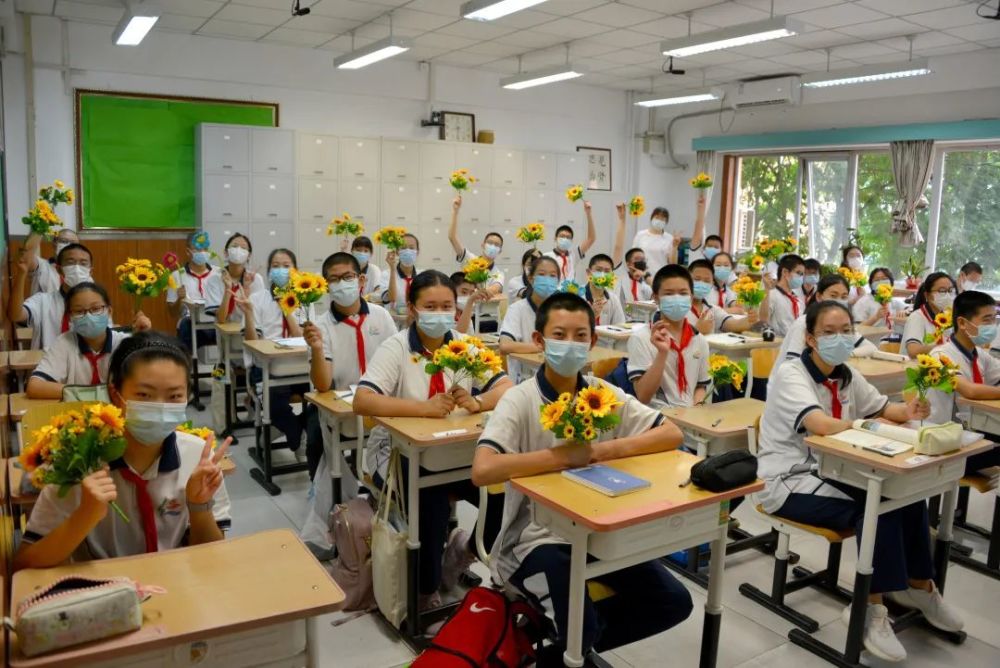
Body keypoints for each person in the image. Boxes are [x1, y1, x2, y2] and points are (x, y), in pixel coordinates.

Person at [471, 292, 692, 665]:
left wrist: (601, 452)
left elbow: (671, 434)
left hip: (600, 529)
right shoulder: (520, 398)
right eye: (560, 334)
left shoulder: (600, 393)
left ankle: (562, 650)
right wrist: (559, 458)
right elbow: (483, 469)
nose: (570, 344)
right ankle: (574, 644)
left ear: (592, 341)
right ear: (540, 341)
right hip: (537, 540)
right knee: (578, 628)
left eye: (580, 336)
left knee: (672, 602)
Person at [758, 301, 963, 663]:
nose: (840, 338)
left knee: (908, 494)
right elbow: (820, 425)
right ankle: (870, 606)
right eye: (828, 332)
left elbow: (883, 408)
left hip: (840, 469)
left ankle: (919, 587)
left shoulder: (846, 372)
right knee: (876, 508)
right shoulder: (792, 374)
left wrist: (909, 411)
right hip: (791, 480)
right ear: (809, 338)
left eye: (846, 331)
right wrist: (867, 427)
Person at [353, 270, 513, 606]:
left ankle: (460, 555)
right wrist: (422, 409)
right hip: (395, 451)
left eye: (447, 306)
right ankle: (425, 589)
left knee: (503, 494)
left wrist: (479, 401)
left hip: (455, 450)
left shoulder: (465, 345)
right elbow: (363, 400)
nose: (440, 313)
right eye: (430, 306)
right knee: (431, 498)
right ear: (412, 308)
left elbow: (505, 387)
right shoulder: (396, 347)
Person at [14, 332, 232, 568]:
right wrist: (86, 514)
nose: (160, 406)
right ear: (115, 395)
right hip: (104, 595)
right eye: (144, 395)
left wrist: (199, 507)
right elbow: (26, 562)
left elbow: (212, 562)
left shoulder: (198, 458)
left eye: (175, 396)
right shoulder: (78, 462)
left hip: (176, 589)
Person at [303, 251, 397, 481]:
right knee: (314, 434)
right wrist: (315, 348)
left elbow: (398, 361)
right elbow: (323, 385)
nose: (341, 284)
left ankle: (382, 491)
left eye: (348, 277)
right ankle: (325, 494)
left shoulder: (381, 316)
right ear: (326, 287)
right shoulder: (321, 326)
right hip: (342, 408)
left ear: (361, 280)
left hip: (382, 405)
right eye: (334, 280)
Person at [235, 249, 309, 456]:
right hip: (266, 368)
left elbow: (301, 336)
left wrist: (287, 307)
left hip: (299, 366)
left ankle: (294, 432)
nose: (281, 270)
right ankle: (297, 437)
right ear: (268, 272)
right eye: (276, 266)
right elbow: (251, 341)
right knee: (274, 401)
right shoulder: (257, 299)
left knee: (319, 397)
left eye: (286, 266)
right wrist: (248, 314)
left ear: (296, 271)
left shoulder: (304, 299)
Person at [27, 283, 151, 399]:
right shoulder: (64, 343)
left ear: (109, 311)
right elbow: (35, 386)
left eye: (96, 308)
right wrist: (92, 394)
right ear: (70, 317)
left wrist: (145, 339)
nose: (88, 316)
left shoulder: (124, 343)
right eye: (79, 311)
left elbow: (147, 385)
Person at [927, 290, 1000, 476]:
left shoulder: (979, 355)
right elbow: (969, 391)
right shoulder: (940, 356)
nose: (993, 325)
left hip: (971, 434)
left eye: (994, 319)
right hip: (945, 443)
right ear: (961, 322)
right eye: (987, 320)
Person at [628, 264, 710, 407]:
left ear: (691, 298)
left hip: (691, 418)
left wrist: (697, 409)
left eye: (683, 293)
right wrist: (662, 353)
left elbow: (700, 386)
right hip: (658, 418)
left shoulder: (699, 340)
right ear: (656, 298)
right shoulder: (641, 338)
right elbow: (643, 396)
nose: (677, 298)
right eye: (669, 294)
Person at [10, 242, 106, 350]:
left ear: (90, 271)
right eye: (71, 262)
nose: (77, 268)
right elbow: (16, 315)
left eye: (83, 263)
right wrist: (22, 274)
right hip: (49, 362)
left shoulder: (99, 304)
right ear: (59, 269)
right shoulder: (43, 300)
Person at [773, 274, 876, 373]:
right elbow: (791, 363)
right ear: (819, 297)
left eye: (844, 297)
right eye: (833, 295)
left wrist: (847, 354)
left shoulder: (843, 323)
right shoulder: (804, 323)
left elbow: (871, 348)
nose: (838, 301)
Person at [499, 256, 560, 380]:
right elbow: (505, 346)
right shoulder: (517, 309)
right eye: (542, 274)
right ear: (531, 279)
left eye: (553, 276)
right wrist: (543, 347)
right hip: (524, 378)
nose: (547, 280)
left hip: (556, 375)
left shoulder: (562, 310)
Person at [167, 231, 219, 350]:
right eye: (197, 249)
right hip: (189, 324)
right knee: (186, 325)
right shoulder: (176, 276)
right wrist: (180, 299)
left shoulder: (219, 273)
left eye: (205, 248)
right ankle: (187, 365)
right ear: (187, 251)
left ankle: (226, 365)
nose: (202, 252)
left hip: (215, 322)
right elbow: (172, 313)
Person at [449, 195, 505, 297]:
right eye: (490, 243)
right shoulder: (470, 259)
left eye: (497, 245)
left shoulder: (498, 274)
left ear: (500, 251)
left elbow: (495, 288)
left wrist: (483, 291)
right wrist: (455, 212)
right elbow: (452, 238)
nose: (493, 246)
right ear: (483, 245)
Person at [206, 232, 265, 325]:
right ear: (226, 253)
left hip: (251, 331)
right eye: (234, 246)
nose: (238, 250)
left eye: (243, 248)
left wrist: (247, 289)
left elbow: (260, 314)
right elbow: (221, 319)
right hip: (224, 335)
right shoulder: (215, 279)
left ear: (248, 255)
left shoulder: (255, 279)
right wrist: (228, 290)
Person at [687, 259, 754, 335]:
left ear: (712, 284)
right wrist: (697, 330)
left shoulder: (712, 309)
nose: (702, 283)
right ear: (687, 280)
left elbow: (732, 324)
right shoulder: (679, 309)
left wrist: (750, 320)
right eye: (697, 279)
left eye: (707, 281)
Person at [902, 272, 957, 358]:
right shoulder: (917, 317)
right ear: (927, 295)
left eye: (950, 291)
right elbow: (913, 351)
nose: (948, 295)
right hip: (915, 367)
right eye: (942, 291)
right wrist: (945, 347)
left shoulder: (947, 316)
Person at [545, 200, 597, 281]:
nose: (565, 239)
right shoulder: (547, 256)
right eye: (562, 236)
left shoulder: (574, 255)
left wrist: (588, 214)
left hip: (569, 291)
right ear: (555, 238)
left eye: (568, 237)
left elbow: (591, 239)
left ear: (571, 241)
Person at [21, 227, 79, 296]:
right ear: (54, 243)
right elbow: (27, 256)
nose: (68, 245)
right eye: (64, 241)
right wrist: (39, 226)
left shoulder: (80, 271)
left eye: (73, 243)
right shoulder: (41, 266)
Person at [761, 254, 806, 337]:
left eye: (802, 274)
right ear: (785, 272)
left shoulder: (798, 300)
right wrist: (767, 289)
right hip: (776, 345)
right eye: (798, 273)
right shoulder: (771, 295)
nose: (801, 277)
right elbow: (763, 320)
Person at [382, 232, 421, 314]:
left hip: (414, 321)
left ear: (417, 252)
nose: (408, 251)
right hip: (393, 322)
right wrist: (392, 268)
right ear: (397, 252)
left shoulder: (422, 275)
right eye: (403, 248)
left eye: (411, 248)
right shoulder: (386, 274)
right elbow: (392, 299)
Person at [583, 254, 626, 326]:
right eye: (598, 270)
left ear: (612, 276)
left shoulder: (613, 299)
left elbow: (620, 326)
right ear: (588, 272)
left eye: (607, 271)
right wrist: (591, 316)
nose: (602, 275)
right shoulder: (577, 296)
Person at [349, 236, 383, 301]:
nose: (362, 253)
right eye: (358, 250)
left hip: (369, 307)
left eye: (366, 251)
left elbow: (378, 292)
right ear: (352, 251)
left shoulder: (374, 270)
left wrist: (367, 298)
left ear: (371, 253)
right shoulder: (347, 270)